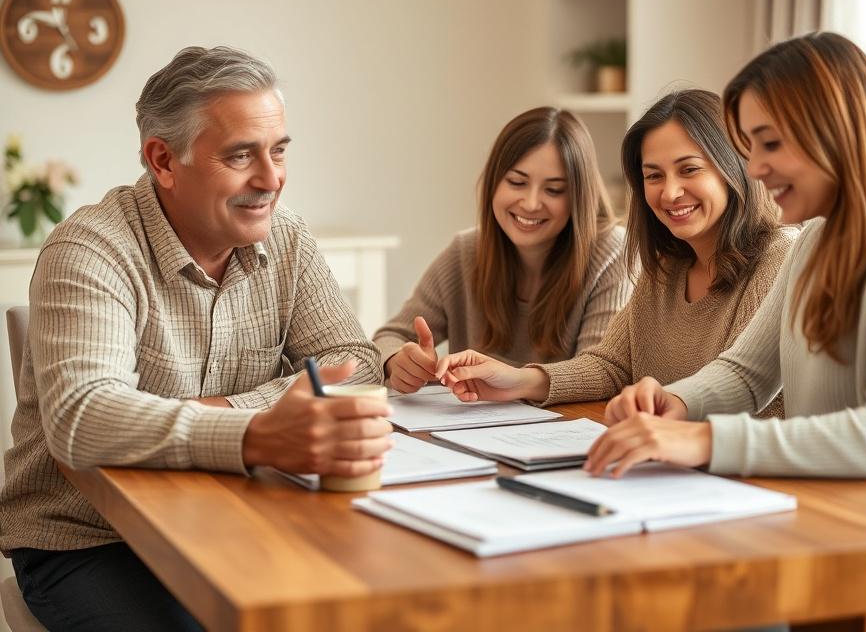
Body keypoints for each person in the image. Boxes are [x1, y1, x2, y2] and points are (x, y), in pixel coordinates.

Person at [586, 33, 866, 629]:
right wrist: (676, 403)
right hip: (848, 544)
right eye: (750, 145)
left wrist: (705, 442)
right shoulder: (818, 239)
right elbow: (747, 373)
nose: (755, 167)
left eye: (769, 144)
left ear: (834, 129)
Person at [0, 46, 392, 631]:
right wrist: (259, 433)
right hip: (90, 540)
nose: (270, 179)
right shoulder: (89, 249)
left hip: (235, 516)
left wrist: (232, 409)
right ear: (163, 160)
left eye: (278, 151)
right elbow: (82, 417)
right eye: (241, 155)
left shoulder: (287, 237)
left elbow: (355, 364)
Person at [435, 89, 794, 415]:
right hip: (674, 465)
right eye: (653, 176)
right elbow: (611, 365)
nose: (669, 193)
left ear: (735, 168)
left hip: (747, 477)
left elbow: (740, 390)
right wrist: (517, 380)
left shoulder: (779, 259)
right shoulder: (667, 269)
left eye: (689, 170)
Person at [373, 107, 632, 393]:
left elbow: (600, 372)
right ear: (494, 183)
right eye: (517, 182)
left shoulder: (613, 252)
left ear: (578, 198)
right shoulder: (466, 251)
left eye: (554, 190)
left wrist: (517, 381)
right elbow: (390, 336)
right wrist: (397, 361)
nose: (531, 203)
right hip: (469, 431)